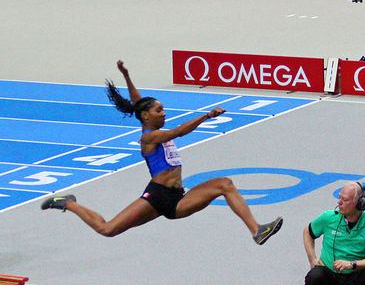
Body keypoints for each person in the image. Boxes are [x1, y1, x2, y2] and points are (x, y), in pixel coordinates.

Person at [41, 60, 283, 244]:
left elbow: (138, 102)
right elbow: (177, 131)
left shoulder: (149, 122)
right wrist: (206, 116)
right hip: (156, 197)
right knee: (108, 229)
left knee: (225, 184)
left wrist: (126, 75)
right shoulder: (149, 137)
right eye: (159, 110)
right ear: (147, 116)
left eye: (163, 109)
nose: (163, 113)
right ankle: (69, 203)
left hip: (178, 196)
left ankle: (256, 230)